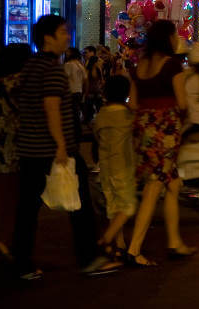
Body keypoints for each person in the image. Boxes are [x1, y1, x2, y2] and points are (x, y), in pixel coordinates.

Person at [12, 15, 120, 280]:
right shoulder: (51, 69)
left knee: (27, 208)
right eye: (62, 32)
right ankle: (88, 259)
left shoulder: (31, 67)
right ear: (47, 38)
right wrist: (61, 146)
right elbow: (51, 108)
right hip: (51, 150)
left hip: (29, 148)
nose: (66, 37)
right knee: (79, 205)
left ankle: (22, 263)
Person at [125, 19, 195, 267]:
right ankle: (134, 249)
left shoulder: (139, 65)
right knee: (154, 187)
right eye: (175, 36)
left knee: (173, 184)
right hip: (165, 131)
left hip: (143, 129)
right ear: (167, 38)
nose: (178, 40)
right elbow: (183, 103)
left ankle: (175, 242)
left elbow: (132, 103)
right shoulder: (172, 65)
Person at [0, 43, 30, 261]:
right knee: (14, 199)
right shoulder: (17, 83)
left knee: (6, 198)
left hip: (0, 146)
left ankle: (4, 241)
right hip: (15, 147)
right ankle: (6, 243)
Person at [93, 75, 136, 260]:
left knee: (113, 207)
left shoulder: (101, 114)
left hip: (105, 166)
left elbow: (96, 136)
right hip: (122, 166)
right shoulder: (127, 115)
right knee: (127, 207)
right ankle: (105, 240)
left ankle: (118, 244)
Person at [64, 47, 88, 139]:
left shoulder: (68, 65)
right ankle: (78, 131)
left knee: (72, 114)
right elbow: (86, 79)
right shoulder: (80, 65)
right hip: (79, 91)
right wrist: (85, 92)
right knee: (76, 113)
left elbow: (64, 79)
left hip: (71, 91)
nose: (66, 53)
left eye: (68, 52)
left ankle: (75, 133)